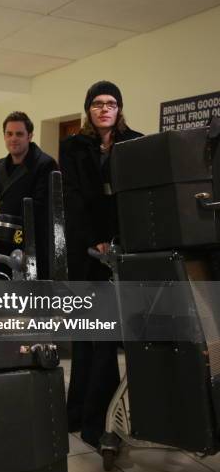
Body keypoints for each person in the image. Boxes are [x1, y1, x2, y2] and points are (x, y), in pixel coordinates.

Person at [59, 80, 142, 448]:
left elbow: (136, 196)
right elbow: (74, 197)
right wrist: (95, 238)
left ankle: (98, 422)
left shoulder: (136, 143)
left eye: (111, 103)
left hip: (123, 251)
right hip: (86, 250)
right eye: (97, 103)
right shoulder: (74, 147)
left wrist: (118, 239)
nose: (104, 109)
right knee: (85, 337)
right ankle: (75, 414)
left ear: (119, 108)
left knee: (106, 339)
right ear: (88, 109)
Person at [0, 111, 58, 278]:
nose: (13, 138)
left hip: (33, 245)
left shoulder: (46, 164)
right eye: (9, 134)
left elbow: (41, 207)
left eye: (19, 134)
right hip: (3, 244)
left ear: (29, 136)